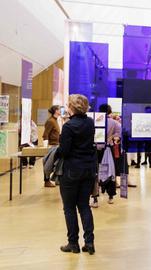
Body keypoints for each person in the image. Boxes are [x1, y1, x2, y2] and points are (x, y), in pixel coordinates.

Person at [56, 94, 96, 255]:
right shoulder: (90, 123)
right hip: (88, 169)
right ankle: (89, 242)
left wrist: (56, 151)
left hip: (71, 170)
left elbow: (64, 150)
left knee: (69, 208)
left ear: (72, 107)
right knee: (84, 206)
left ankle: (73, 243)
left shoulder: (68, 126)